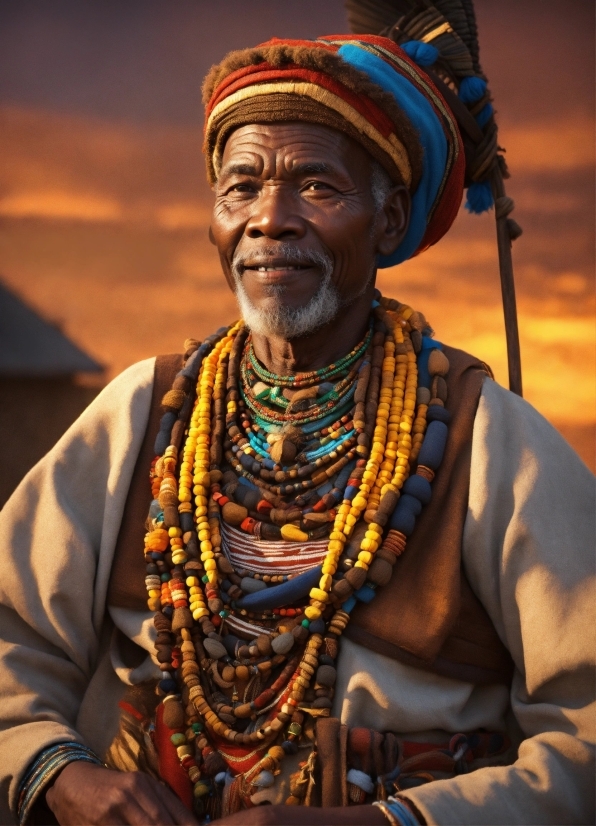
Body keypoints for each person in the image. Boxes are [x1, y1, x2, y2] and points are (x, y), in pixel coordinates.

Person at [0, 33, 594, 826]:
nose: (268, 221)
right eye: (239, 188)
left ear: (387, 222)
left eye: (317, 188)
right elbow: (12, 641)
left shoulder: (494, 445)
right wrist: (62, 776)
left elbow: (583, 745)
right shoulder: (141, 413)